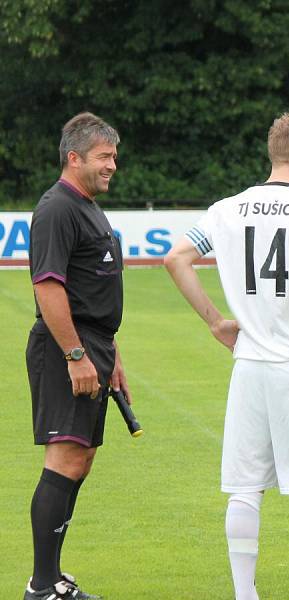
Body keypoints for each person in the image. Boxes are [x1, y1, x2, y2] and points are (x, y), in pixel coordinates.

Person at [164, 113, 289, 600]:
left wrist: (216, 321)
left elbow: (176, 258)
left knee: (244, 486)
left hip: (251, 367)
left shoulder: (228, 209)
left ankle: (244, 594)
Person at [24, 112, 127, 600]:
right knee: (64, 458)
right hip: (69, 349)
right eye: (105, 157)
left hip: (96, 347)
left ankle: (52, 579)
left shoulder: (88, 206)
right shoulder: (56, 208)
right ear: (74, 157)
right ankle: (42, 586)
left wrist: (113, 356)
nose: (113, 166)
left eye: (113, 157)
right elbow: (48, 287)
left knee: (79, 460)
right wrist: (75, 354)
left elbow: (95, 287)